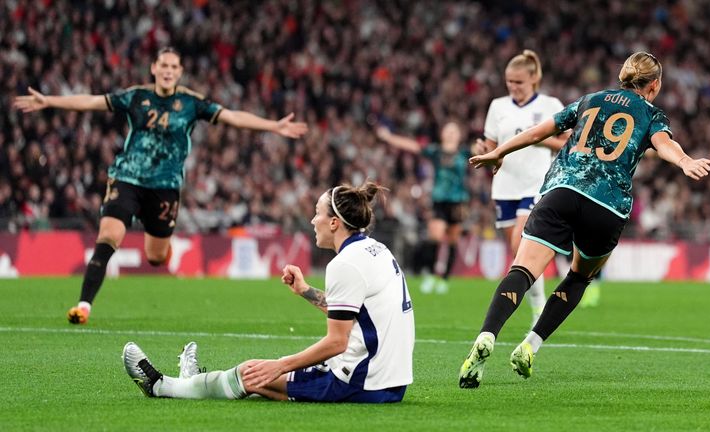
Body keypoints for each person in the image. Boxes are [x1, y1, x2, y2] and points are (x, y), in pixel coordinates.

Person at [459, 52, 710, 388]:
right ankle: (530, 344)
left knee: (522, 270)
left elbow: (540, 131)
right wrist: (683, 161)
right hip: (606, 207)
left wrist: (499, 151)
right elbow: (665, 144)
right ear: (656, 85)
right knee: (578, 277)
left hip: (562, 191)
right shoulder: (651, 113)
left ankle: (488, 336)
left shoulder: (590, 100)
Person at [12, 47, 308, 325]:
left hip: (165, 188)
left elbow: (232, 117)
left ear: (179, 72)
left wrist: (273, 125)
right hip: (127, 178)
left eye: (173, 67)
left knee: (156, 257)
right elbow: (91, 101)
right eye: (163, 65)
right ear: (154, 68)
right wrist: (50, 101)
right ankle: (84, 305)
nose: (167, 71)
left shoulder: (191, 103)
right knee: (108, 237)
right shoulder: (136, 97)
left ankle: (161, 244)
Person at [122, 181, 415, 403]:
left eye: (317, 214)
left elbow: (337, 342)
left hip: (362, 382)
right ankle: (196, 382)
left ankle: (162, 386)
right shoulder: (377, 250)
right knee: (263, 381)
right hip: (390, 381)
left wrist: (279, 365)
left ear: (335, 222)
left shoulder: (344, 264)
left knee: (253, 373)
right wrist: (304, 290)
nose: (313, 221)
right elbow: (355, 316)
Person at [478, 49, 569, 326]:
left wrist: (539, 139)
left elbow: (567, 142)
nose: (513, 87)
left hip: (536, 183)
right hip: (505, 185)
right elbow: (491, 145)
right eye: (509, 81)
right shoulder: (497, 106)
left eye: (519, 81)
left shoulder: (550, 104)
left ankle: (540, 310)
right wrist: (482, 149)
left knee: (522, 241)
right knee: (519, 253)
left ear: (533, 79)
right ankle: (538, 306)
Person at [376, 121, 470, 294]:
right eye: (447, 130)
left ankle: (444, 279)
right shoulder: (436, 152)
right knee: (435, 236)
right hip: (439, 200)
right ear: (442, 134)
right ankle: (432, 274)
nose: (450, 133)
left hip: (458, 202)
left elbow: (485, 151)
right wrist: (389, 137)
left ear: (459, 135)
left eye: (454, 131)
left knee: (452, 241)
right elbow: (413, 146)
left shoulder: (465, 152)